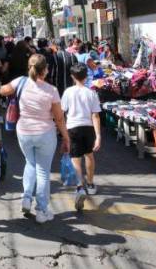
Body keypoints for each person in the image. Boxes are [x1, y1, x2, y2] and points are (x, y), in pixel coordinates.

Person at [0, 54, 70, 223]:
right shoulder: (51, 91)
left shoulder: (20, 82)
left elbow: (2, 90)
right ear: (45, 70)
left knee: (30, 163)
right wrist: (66, 137)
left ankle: (26, 198)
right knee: (43, 171)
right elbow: (59, 118)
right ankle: (41, 210)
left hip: (24, 131)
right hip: (45, 133)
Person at [62, 64, 102, 211]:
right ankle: (90, 184)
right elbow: (95, 115)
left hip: (72, 127)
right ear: (86, 76)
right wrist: (98, 136)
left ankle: (80, 187)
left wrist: (62, 132)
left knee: (75, 159)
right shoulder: (91, 93)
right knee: (89, 156)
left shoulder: (68, 92)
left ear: (72, 77)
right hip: (88, 128)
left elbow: (62, 112)